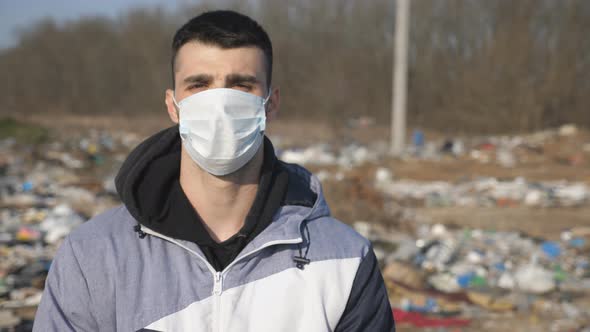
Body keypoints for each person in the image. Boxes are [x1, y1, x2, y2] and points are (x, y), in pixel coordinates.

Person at [33, 10, 394, 331]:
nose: (220, 104)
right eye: (199, 84)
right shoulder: (94, 255)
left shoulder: (344, 259)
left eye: (242, 85)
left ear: (271, 104)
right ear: (173, 106)